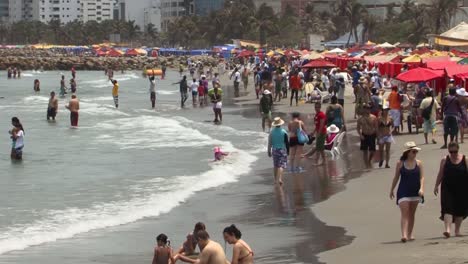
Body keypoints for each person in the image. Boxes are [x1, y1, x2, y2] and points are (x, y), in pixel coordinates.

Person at [389, 142, 424, 243]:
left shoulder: (419, 163)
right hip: (403, 191)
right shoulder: (400, 163)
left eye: (416, 151)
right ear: (408, 152)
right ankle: (404, 235)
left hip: (415, 191)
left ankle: (410, 233)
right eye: (413, 152)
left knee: (412, 214)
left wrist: (422, 188)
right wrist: (392, 189)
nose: (415, 153)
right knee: (405, 212)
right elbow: (396, 177)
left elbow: (422, 177)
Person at [434, 142, 468, 238]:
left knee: (460, 209)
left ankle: (457, 231)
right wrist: (436, 185)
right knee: (447, 208)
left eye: (455, 151)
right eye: (451, 151)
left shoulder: (465, 159)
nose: (453, 153)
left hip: (462, 188)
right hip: (447, 188)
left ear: (458, 149)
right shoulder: (445, 160)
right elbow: (440, 173)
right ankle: (447, 230)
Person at [268, 117, 289, 185]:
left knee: (275, 165)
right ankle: (280, 178)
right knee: (281, 165)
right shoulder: (284, 132)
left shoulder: (271, 132)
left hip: (274, 150)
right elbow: (287, 143)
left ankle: (275, 180)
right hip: (282, 150)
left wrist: (268, 150)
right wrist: (288, 151)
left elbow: (270, 142)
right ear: (281, 124)